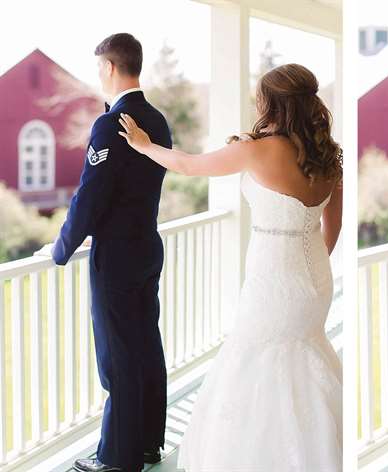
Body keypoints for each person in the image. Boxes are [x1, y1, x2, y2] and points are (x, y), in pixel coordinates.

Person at [118, 63, 343, 471]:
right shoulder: (328, 154)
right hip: (314, 279)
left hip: (272, 279)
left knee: (255, 362)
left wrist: (145, 145)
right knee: (303, 362)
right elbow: (334, 226)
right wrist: (310, 275)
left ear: (270, 103)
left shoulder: (255, 150)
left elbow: (188, 164)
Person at [51, 33, 172, 472]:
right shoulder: (158, 121)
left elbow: (91, 195)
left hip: (117, 257)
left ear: (109, 67)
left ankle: (118, 459)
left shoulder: (111, 124)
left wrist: (62, 247)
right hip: (148, 247)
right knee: (146, 345)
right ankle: (147, 443)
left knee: (117, 355)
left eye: (98, 67)